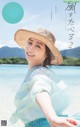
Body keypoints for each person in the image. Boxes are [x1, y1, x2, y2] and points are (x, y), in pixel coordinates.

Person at [10, 28, 79, 127]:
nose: (31, 48)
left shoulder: (39, 74)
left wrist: (52, 118)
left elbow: (40, 90)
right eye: (30, 42)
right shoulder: (40, 72)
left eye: (38, 46)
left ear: (47, 54)